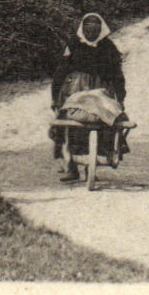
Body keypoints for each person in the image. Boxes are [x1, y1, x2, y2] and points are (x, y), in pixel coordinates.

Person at [50, 13, 126, 180]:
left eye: (95, 29)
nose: (91, 33)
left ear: (101, 30)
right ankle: (71, 166)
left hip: (101, 91)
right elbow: (62, 70)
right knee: (70, 126)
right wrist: (56, 95)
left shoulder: (108, 47)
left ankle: (92, 166)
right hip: (75, 89)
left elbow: (117, 74)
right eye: (87, 29)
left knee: (103, 123)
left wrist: (120, 97)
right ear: (82, 30)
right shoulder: (74, 44)